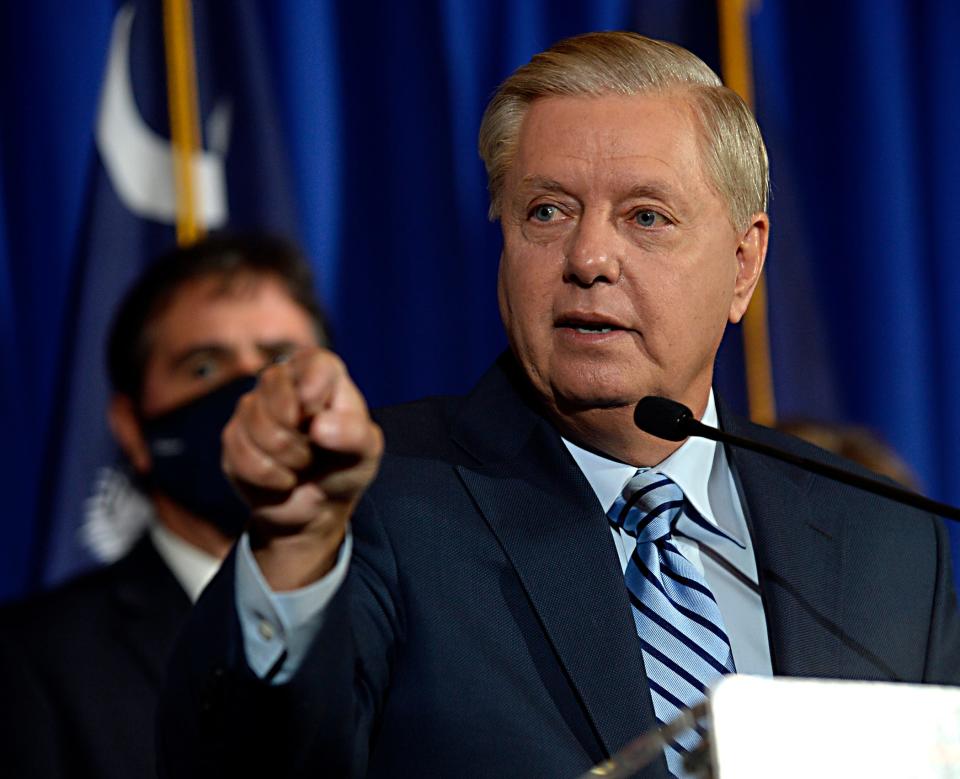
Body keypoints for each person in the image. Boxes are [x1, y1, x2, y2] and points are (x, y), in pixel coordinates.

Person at [158, 33, 960, 779]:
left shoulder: (888, 541)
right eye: (547, 211)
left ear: (744, 264)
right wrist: (295, 557)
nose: (588, 258)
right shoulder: (375, 504)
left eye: (646, 216)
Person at [0, 234, 329, 779]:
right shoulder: (34, 662)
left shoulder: (418, 614)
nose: (251, 392)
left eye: (281, 360)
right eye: (204, 368)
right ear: (130, 428)